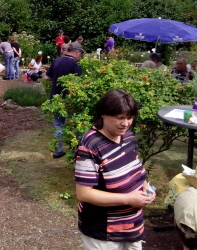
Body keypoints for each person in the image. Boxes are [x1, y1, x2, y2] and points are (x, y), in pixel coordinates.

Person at [75, 89, 155, 249]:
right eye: (120, 118)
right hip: (103, 233)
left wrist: (146, 187)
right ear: (104, 114)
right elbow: (84, 193)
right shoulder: (90, 146)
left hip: (132, 226)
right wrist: (128, 199)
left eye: (129, 118)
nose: (126, 123)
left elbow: (134, 168)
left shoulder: (128, 137)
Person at [45, 42, 83, 158]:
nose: (80, 56)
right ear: (77, 52)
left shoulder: (57, 60)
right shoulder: (75, 64)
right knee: (75, 124)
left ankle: (58, 151)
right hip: (70, 100)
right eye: (80, 54)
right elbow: (77, 84)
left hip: (55, 98)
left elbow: (48, 77)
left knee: (58, 125)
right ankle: (78, 150)